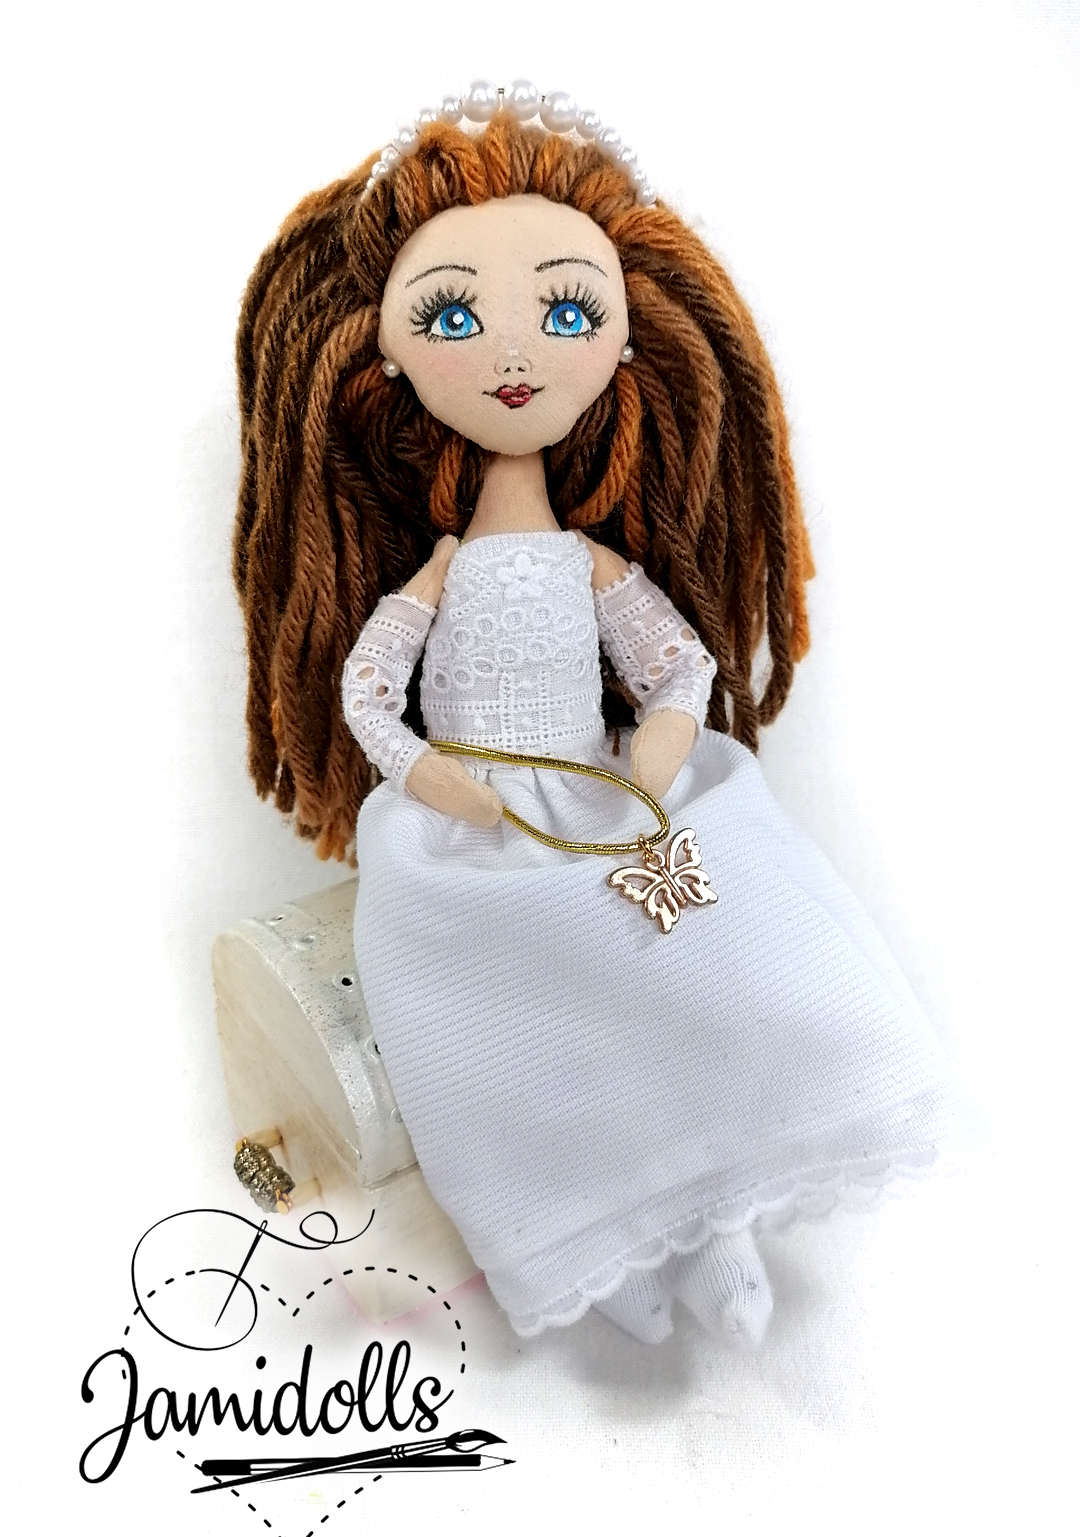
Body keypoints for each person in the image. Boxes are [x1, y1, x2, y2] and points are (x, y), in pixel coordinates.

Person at [233, 90, 957, 1346]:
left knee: (695, 984)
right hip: (472, 831)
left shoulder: (591, 564)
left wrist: (668, 736)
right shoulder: (439, 571)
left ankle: (718, 1221)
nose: (513, 354)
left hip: (606, 796)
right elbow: (364, 690)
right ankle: (595, 1232)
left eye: (566, 314)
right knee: (519, 1042)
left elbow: (676, 663)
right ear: (386, 356)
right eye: (453, 317)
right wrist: (422, 772)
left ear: (627, 342)